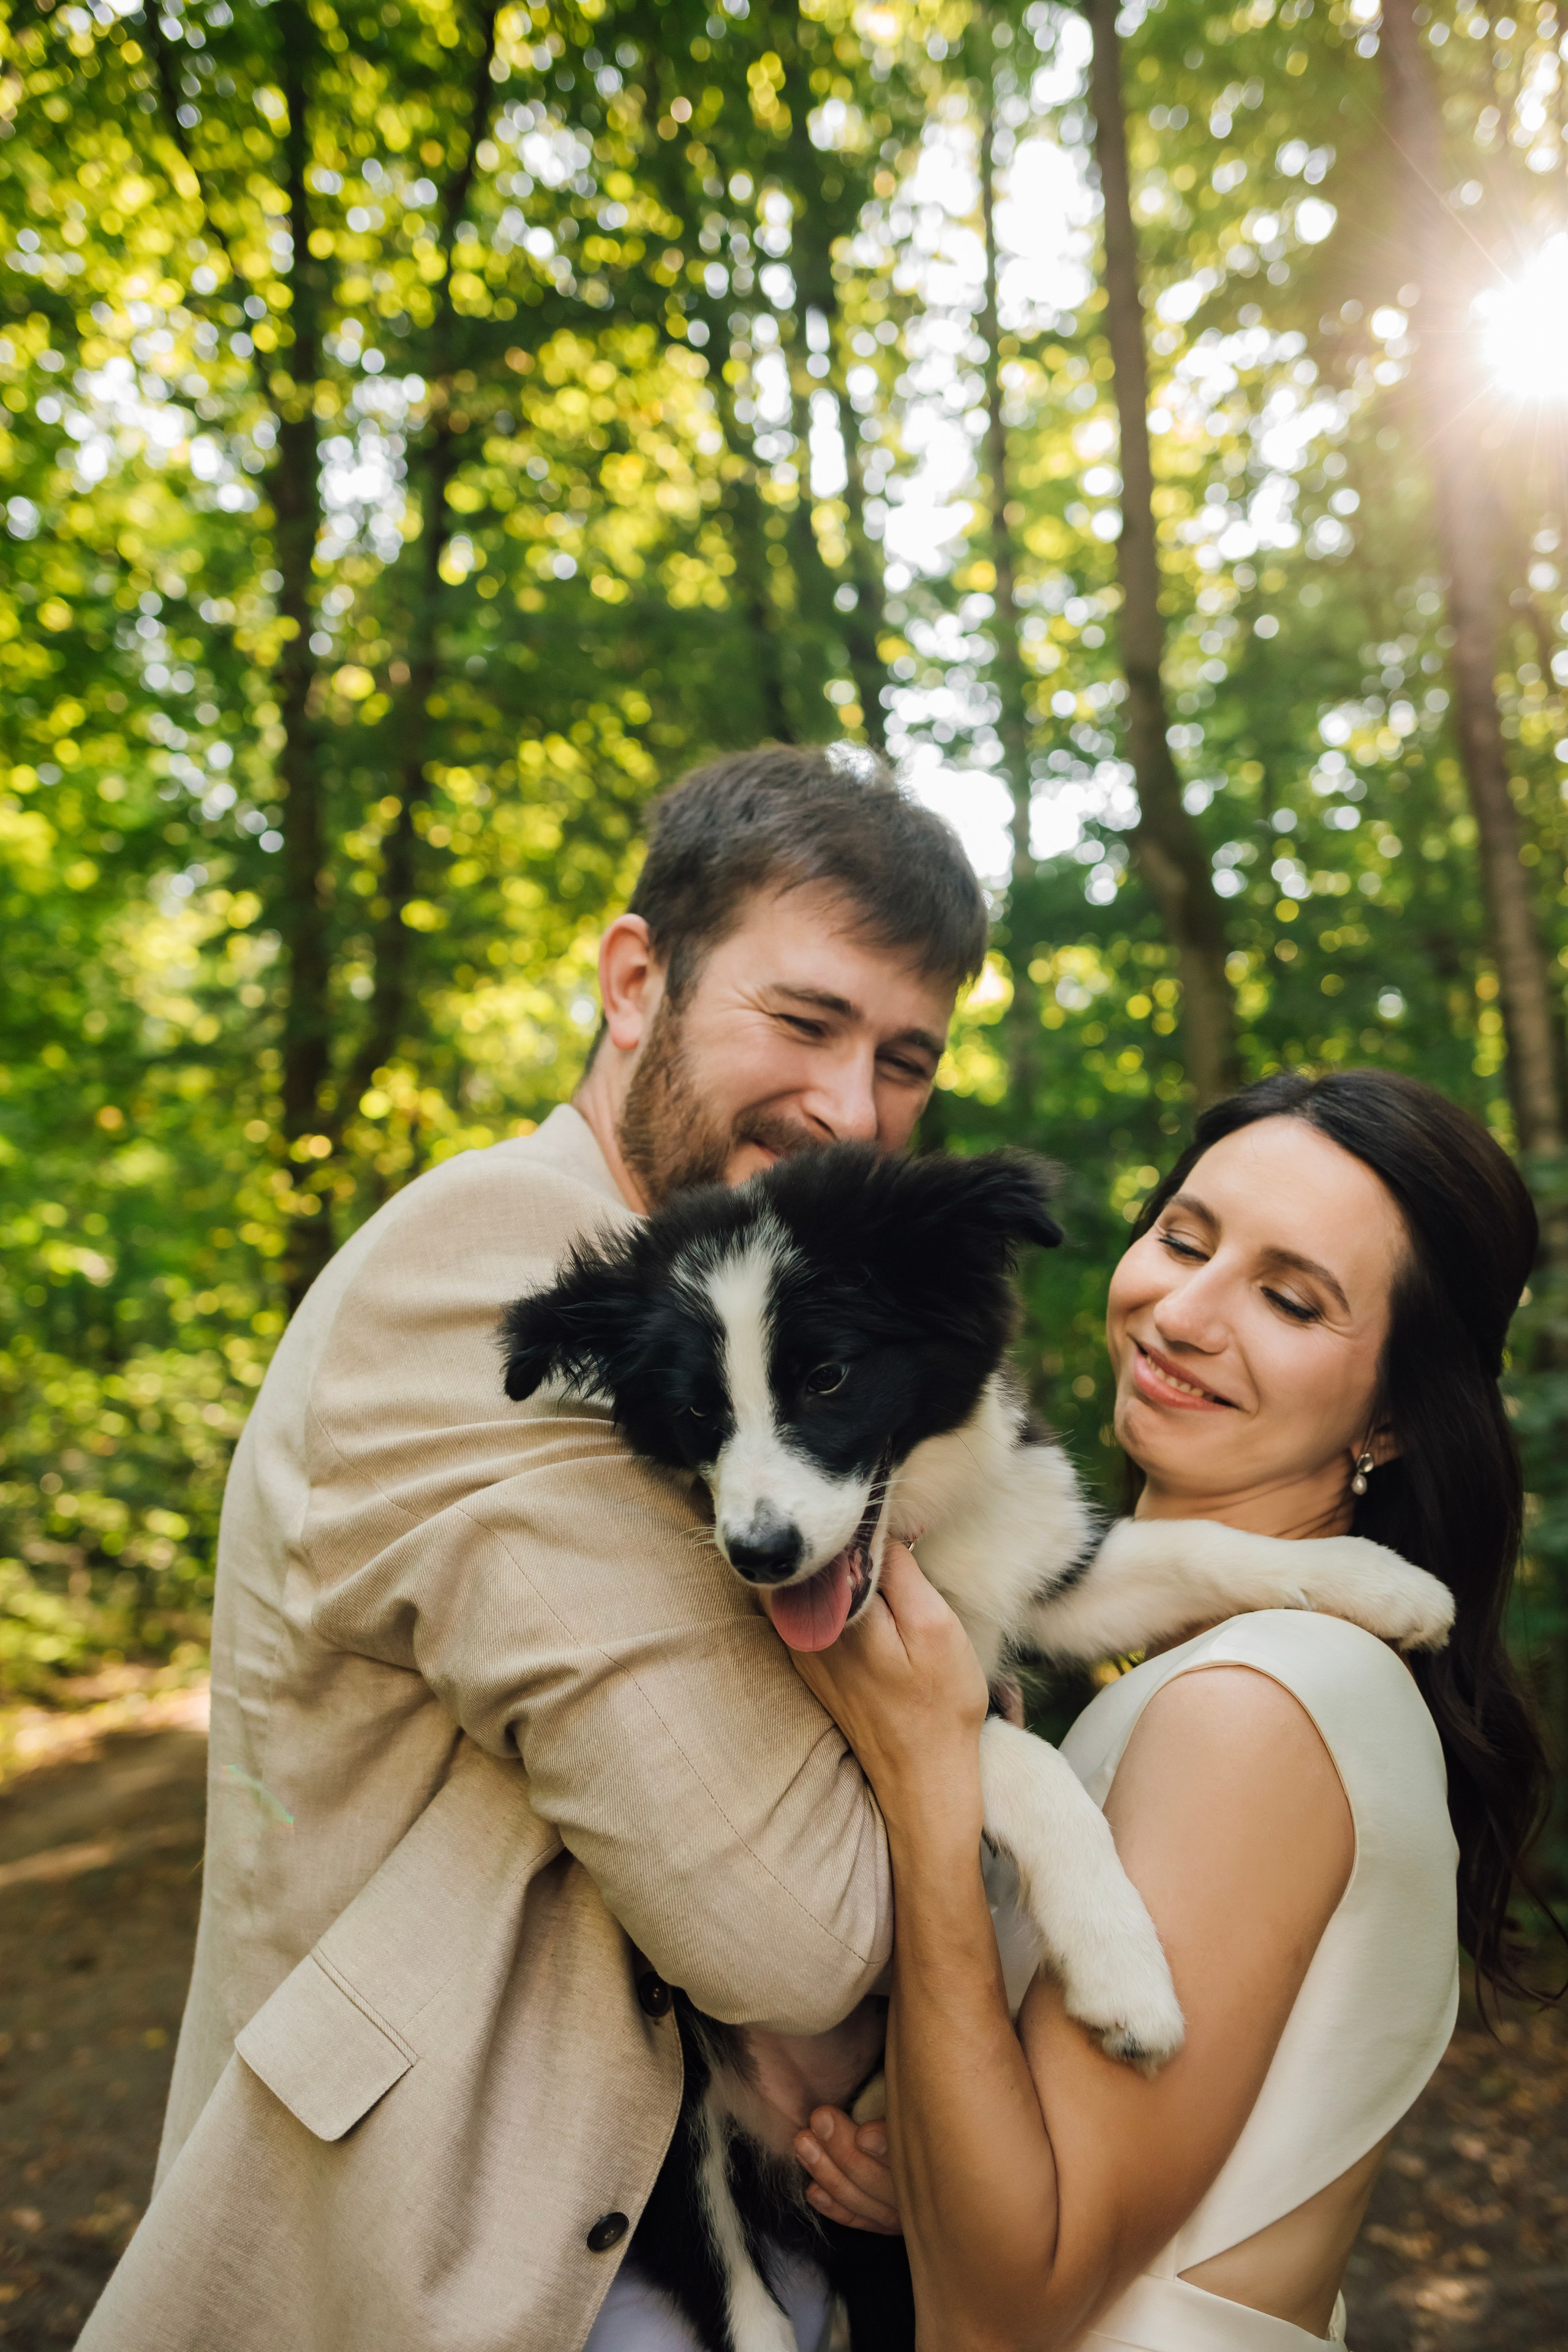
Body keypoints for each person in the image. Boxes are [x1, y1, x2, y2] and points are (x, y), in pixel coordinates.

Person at [77, 745, 989, 2352]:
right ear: (636, 980)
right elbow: (794, 1929)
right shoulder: (505, 1260)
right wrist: (939, 1774)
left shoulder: (760, 1331)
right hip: (446, 2265)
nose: (853, 1111)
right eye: (804, 1022)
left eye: (905, 1059)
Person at [789, 1068, 1557, 2352]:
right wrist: (929, 2179)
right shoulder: (1213, 1675)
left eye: (1288, 1298)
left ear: (1392, 1414)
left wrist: (929, 1776)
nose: (1182, 1311)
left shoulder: (1258, 1704)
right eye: (1183, 1239)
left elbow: (1005, 2309)